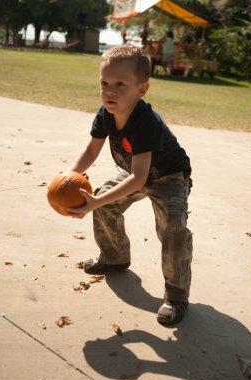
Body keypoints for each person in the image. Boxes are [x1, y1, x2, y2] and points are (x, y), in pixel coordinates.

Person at [68, 45, 193, 325]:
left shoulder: (145, 121)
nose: (109, 91)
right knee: (103, 202)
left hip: (169, 177)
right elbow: (91, 152)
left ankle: (176, 295)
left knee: (173, 226)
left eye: (120, 85)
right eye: (104, 83)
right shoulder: (105, 114)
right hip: (135, 172)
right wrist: (68, 176)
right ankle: (114, 257)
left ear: (142, 89)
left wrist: (95, 202)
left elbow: (140, 177)